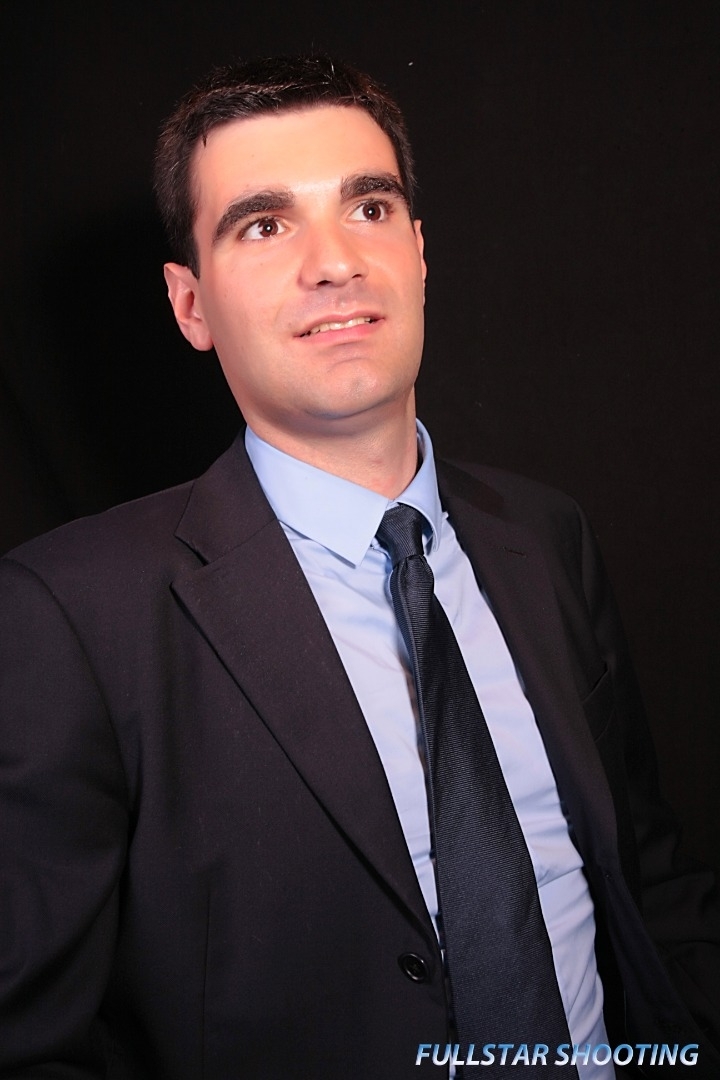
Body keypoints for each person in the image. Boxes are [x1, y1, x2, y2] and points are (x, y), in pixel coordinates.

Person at [0, 55, 718, 1080]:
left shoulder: (546, 537)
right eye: (265, 225)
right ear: (190, 304)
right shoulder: (69, 616)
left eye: (368, 208)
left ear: (418, 255)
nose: (334, 261)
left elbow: (650, 879)